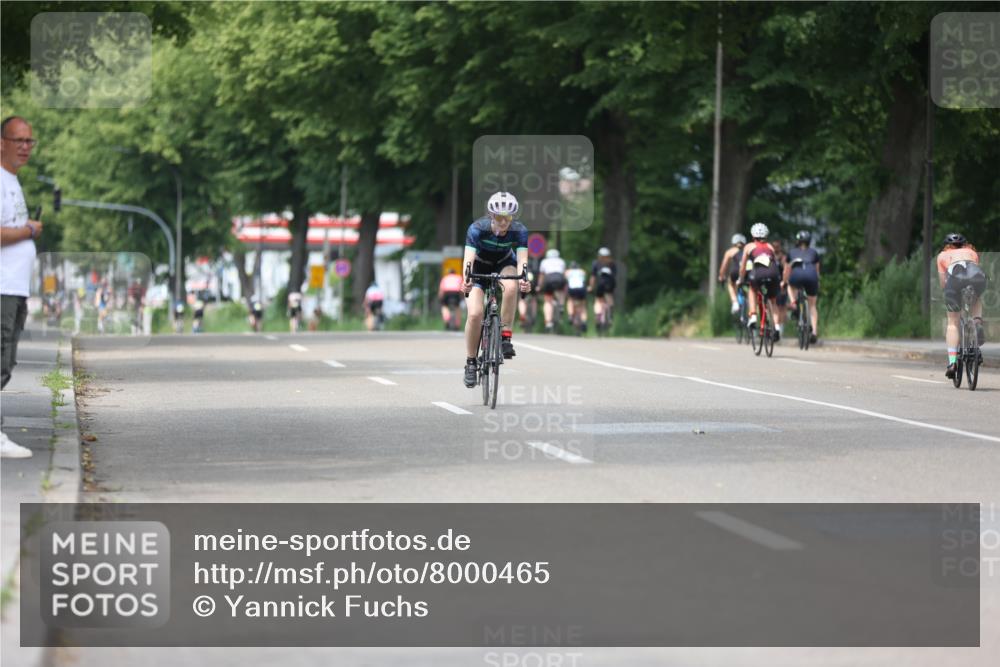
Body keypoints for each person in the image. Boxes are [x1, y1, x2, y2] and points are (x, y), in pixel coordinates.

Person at [1, 116, 41, 458]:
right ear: (2, 143)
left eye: (30, 141)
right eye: (19, 140)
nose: (25, 147)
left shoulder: (12, 182)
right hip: (2, 288)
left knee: (7, 361)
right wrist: (28, 231)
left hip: (14, 288)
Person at [461, 191, 530, 388]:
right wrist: (466, 280)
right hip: (478, 266)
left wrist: (525, 279)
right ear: (491, 215)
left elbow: (522, 262)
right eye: (499, 217)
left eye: (507, 218)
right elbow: (468, 260)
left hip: (503, 263)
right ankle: (471, 362)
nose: (503, 222)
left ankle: (505, 337)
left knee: (511, 286)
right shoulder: (477, 229)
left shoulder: (519, 231)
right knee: (475, 313)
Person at [937, 233, 987, 379]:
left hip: (955, 282)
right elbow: (972, 271)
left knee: (952, 323)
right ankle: (977, 322)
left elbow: (943, 283)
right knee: (977, 298)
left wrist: (948, 293)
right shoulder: (972, 252)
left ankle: (952, 362)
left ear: (947, 246)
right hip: (977, 278)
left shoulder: (942, 256)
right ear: (964, 244)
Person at [738, 222, 781, 342]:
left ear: (753, 235)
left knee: (752, 290)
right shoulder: (770, 247)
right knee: (773, 301)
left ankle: (753, 316)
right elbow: (775, 263)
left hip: (758, 273)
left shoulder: (749, 246)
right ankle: (777, 328)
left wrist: (741, 279)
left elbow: (742, 267)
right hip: (773, 273)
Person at [785, 230, 821, 344]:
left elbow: (787, 270)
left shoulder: (791, 252)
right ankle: (814, 332)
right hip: (811, 276)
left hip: (797, 276)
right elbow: (817, 271)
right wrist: (817, 281)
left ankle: (794, 304)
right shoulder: (814, 253)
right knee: (812, 306)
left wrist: (784, 281)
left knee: (790, 287)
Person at [537, 248, 567, 332]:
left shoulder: (544, 261)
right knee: (561, 292)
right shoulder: (561, 261)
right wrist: (565, 286)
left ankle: (548, 322)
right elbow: (564, 275)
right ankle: (561, 305)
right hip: (559, 277)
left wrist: (539, 286)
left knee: (548, 301)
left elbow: (541, 276)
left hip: (549, 279)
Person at [718, 234, 747, 314]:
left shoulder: (730, 251)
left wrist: (721, 276)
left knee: (730, 283)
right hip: (748, 272)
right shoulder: (747, 250)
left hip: (736, 271)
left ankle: (735, 303)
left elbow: (723, 267)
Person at [590, 247, 617, 330]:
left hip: (600, 284)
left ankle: (598, 316)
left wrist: (591, 287)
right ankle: (610, 313)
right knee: (609, 295)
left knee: (598, 300)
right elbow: (614, 276)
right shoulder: (612, 263)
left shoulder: (596, 263)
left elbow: (593, 277)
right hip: (610, 283)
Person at [565, 260, 588, 334]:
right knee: (583, 306)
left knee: (570, 301)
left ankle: (571, 315)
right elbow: (584, 281)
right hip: (581, 289)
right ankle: (584, 321)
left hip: (572, 289)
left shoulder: (567, 272)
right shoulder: (582, 271)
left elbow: (566, 282)